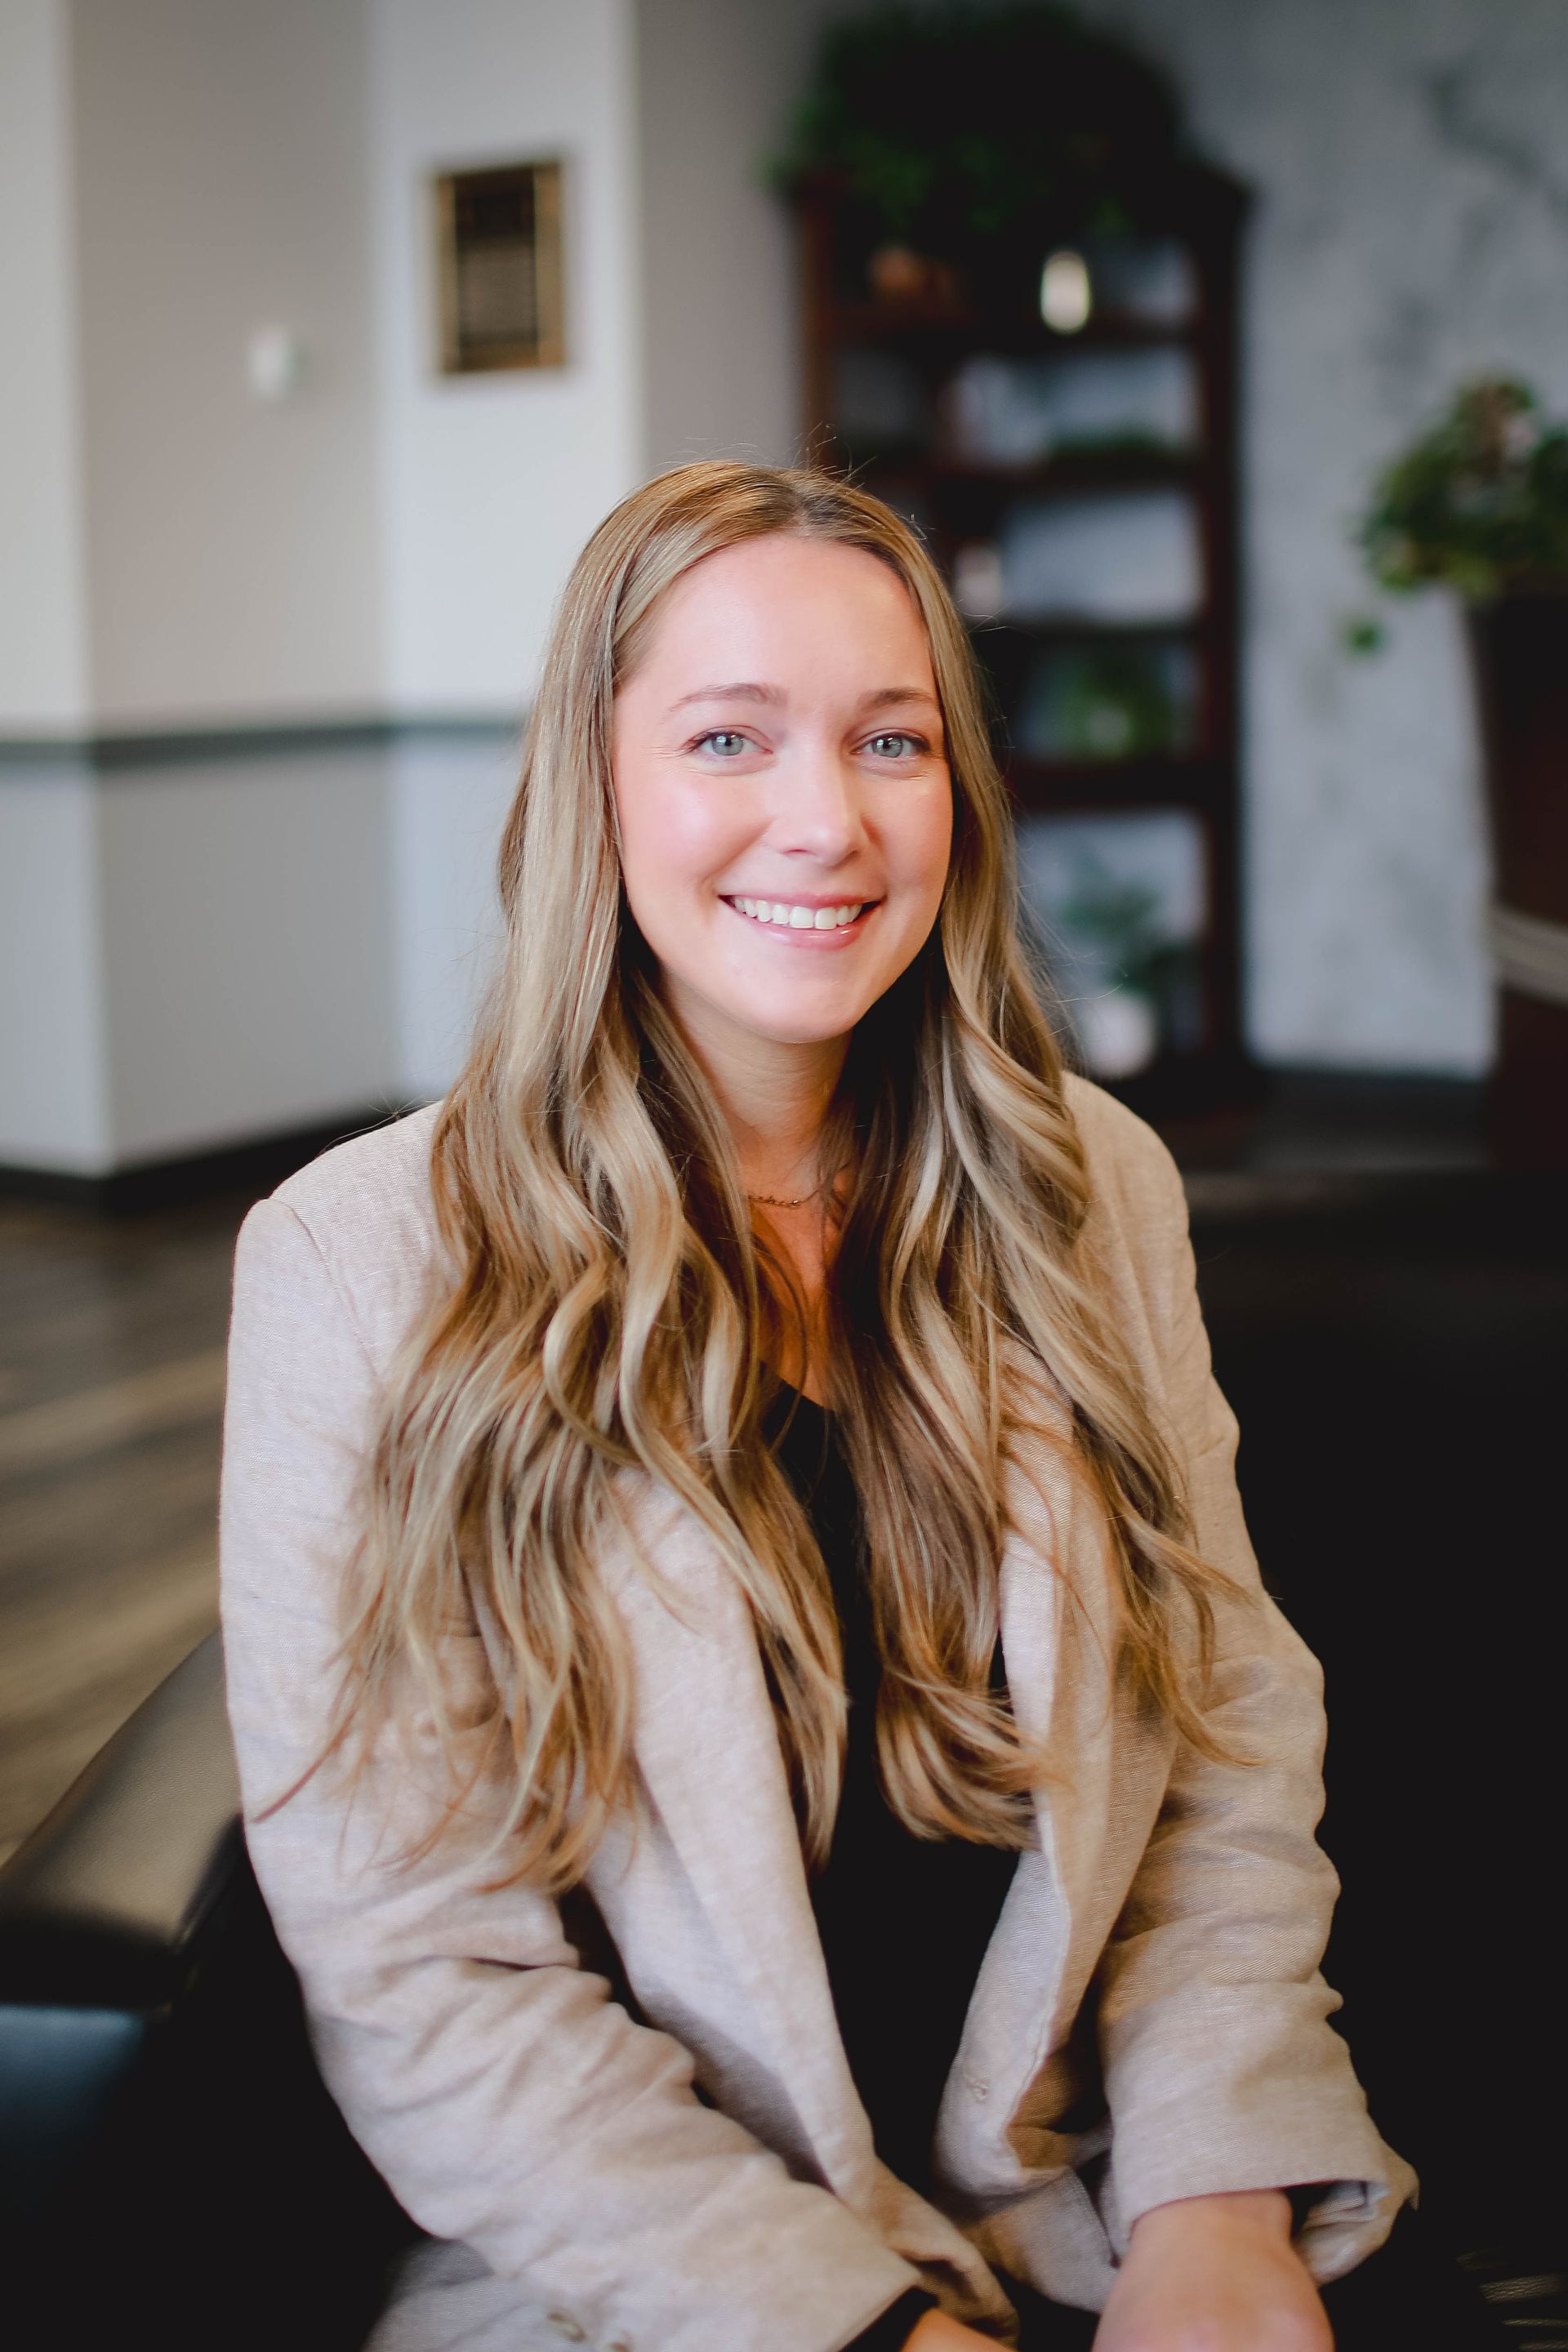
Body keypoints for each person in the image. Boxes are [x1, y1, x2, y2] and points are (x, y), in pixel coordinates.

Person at [221, 462, 1478, 2352]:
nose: (824, 821)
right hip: (650, 2278)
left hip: (1088, 2192)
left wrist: (1215, 2202)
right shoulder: (354, 1262)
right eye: (730, 737)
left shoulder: (1089, 1183)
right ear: (600, 784)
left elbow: (1224, 1729)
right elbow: (426, 1975)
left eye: (891, 742)